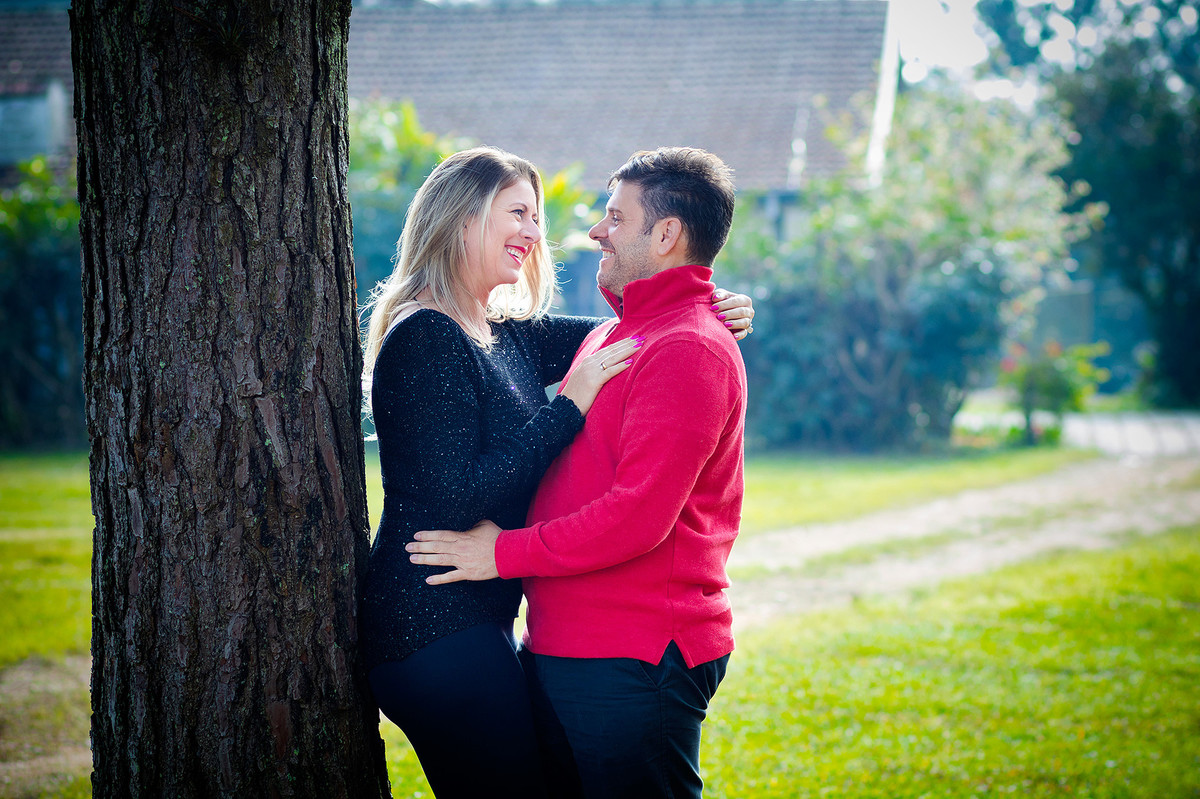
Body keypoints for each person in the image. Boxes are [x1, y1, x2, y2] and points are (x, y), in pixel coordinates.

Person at [359, 145, 752, 798]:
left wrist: (713, 302)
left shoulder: (501, 330)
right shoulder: (426, 334)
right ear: (464, 219)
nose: (538, 233)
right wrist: (567, 408)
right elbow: (456, 496)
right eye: (519, 212)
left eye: (536, 216)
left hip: (483, 621)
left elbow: (649, 329)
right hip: (430, 624)